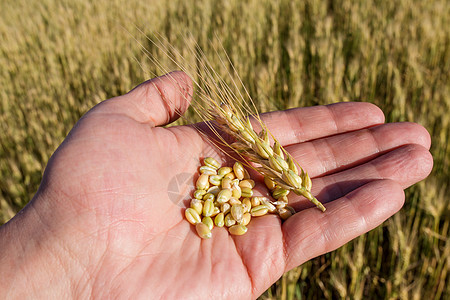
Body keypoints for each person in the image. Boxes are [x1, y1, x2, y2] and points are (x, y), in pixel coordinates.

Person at [0, 71, 432, 298]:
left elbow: (223, 200)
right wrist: (57, 254)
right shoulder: (228, 196)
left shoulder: (227, 194)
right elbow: (223, 201)